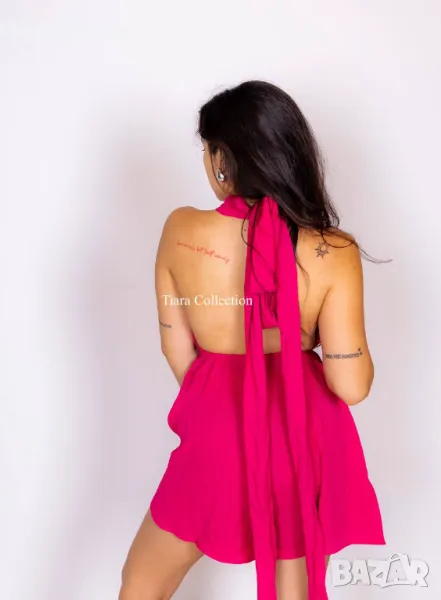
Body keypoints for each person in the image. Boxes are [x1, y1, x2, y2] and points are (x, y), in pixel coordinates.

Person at [119, 80, 385, 600]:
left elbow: (177, 350)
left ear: (222, 159)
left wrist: (221, 403)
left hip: (216, 429)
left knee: (143, 582)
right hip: (304, 435)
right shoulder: (333, 249)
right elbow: (351, 386)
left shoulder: (180, 230)